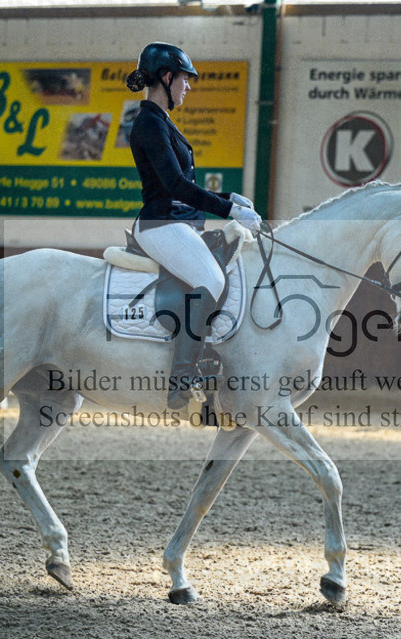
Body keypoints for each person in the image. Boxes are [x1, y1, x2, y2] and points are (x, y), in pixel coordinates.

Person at [125, 42, 262, 409]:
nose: (188, 86)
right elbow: (175, 186)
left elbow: (184, 185)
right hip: (159, 225)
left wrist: (230, 198)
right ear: (166, 77)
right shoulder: (148, 124)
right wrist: (229, 210)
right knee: (212, 280)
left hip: (179, 222)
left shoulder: (161, 121)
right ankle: (181, 379)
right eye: (185, 79)